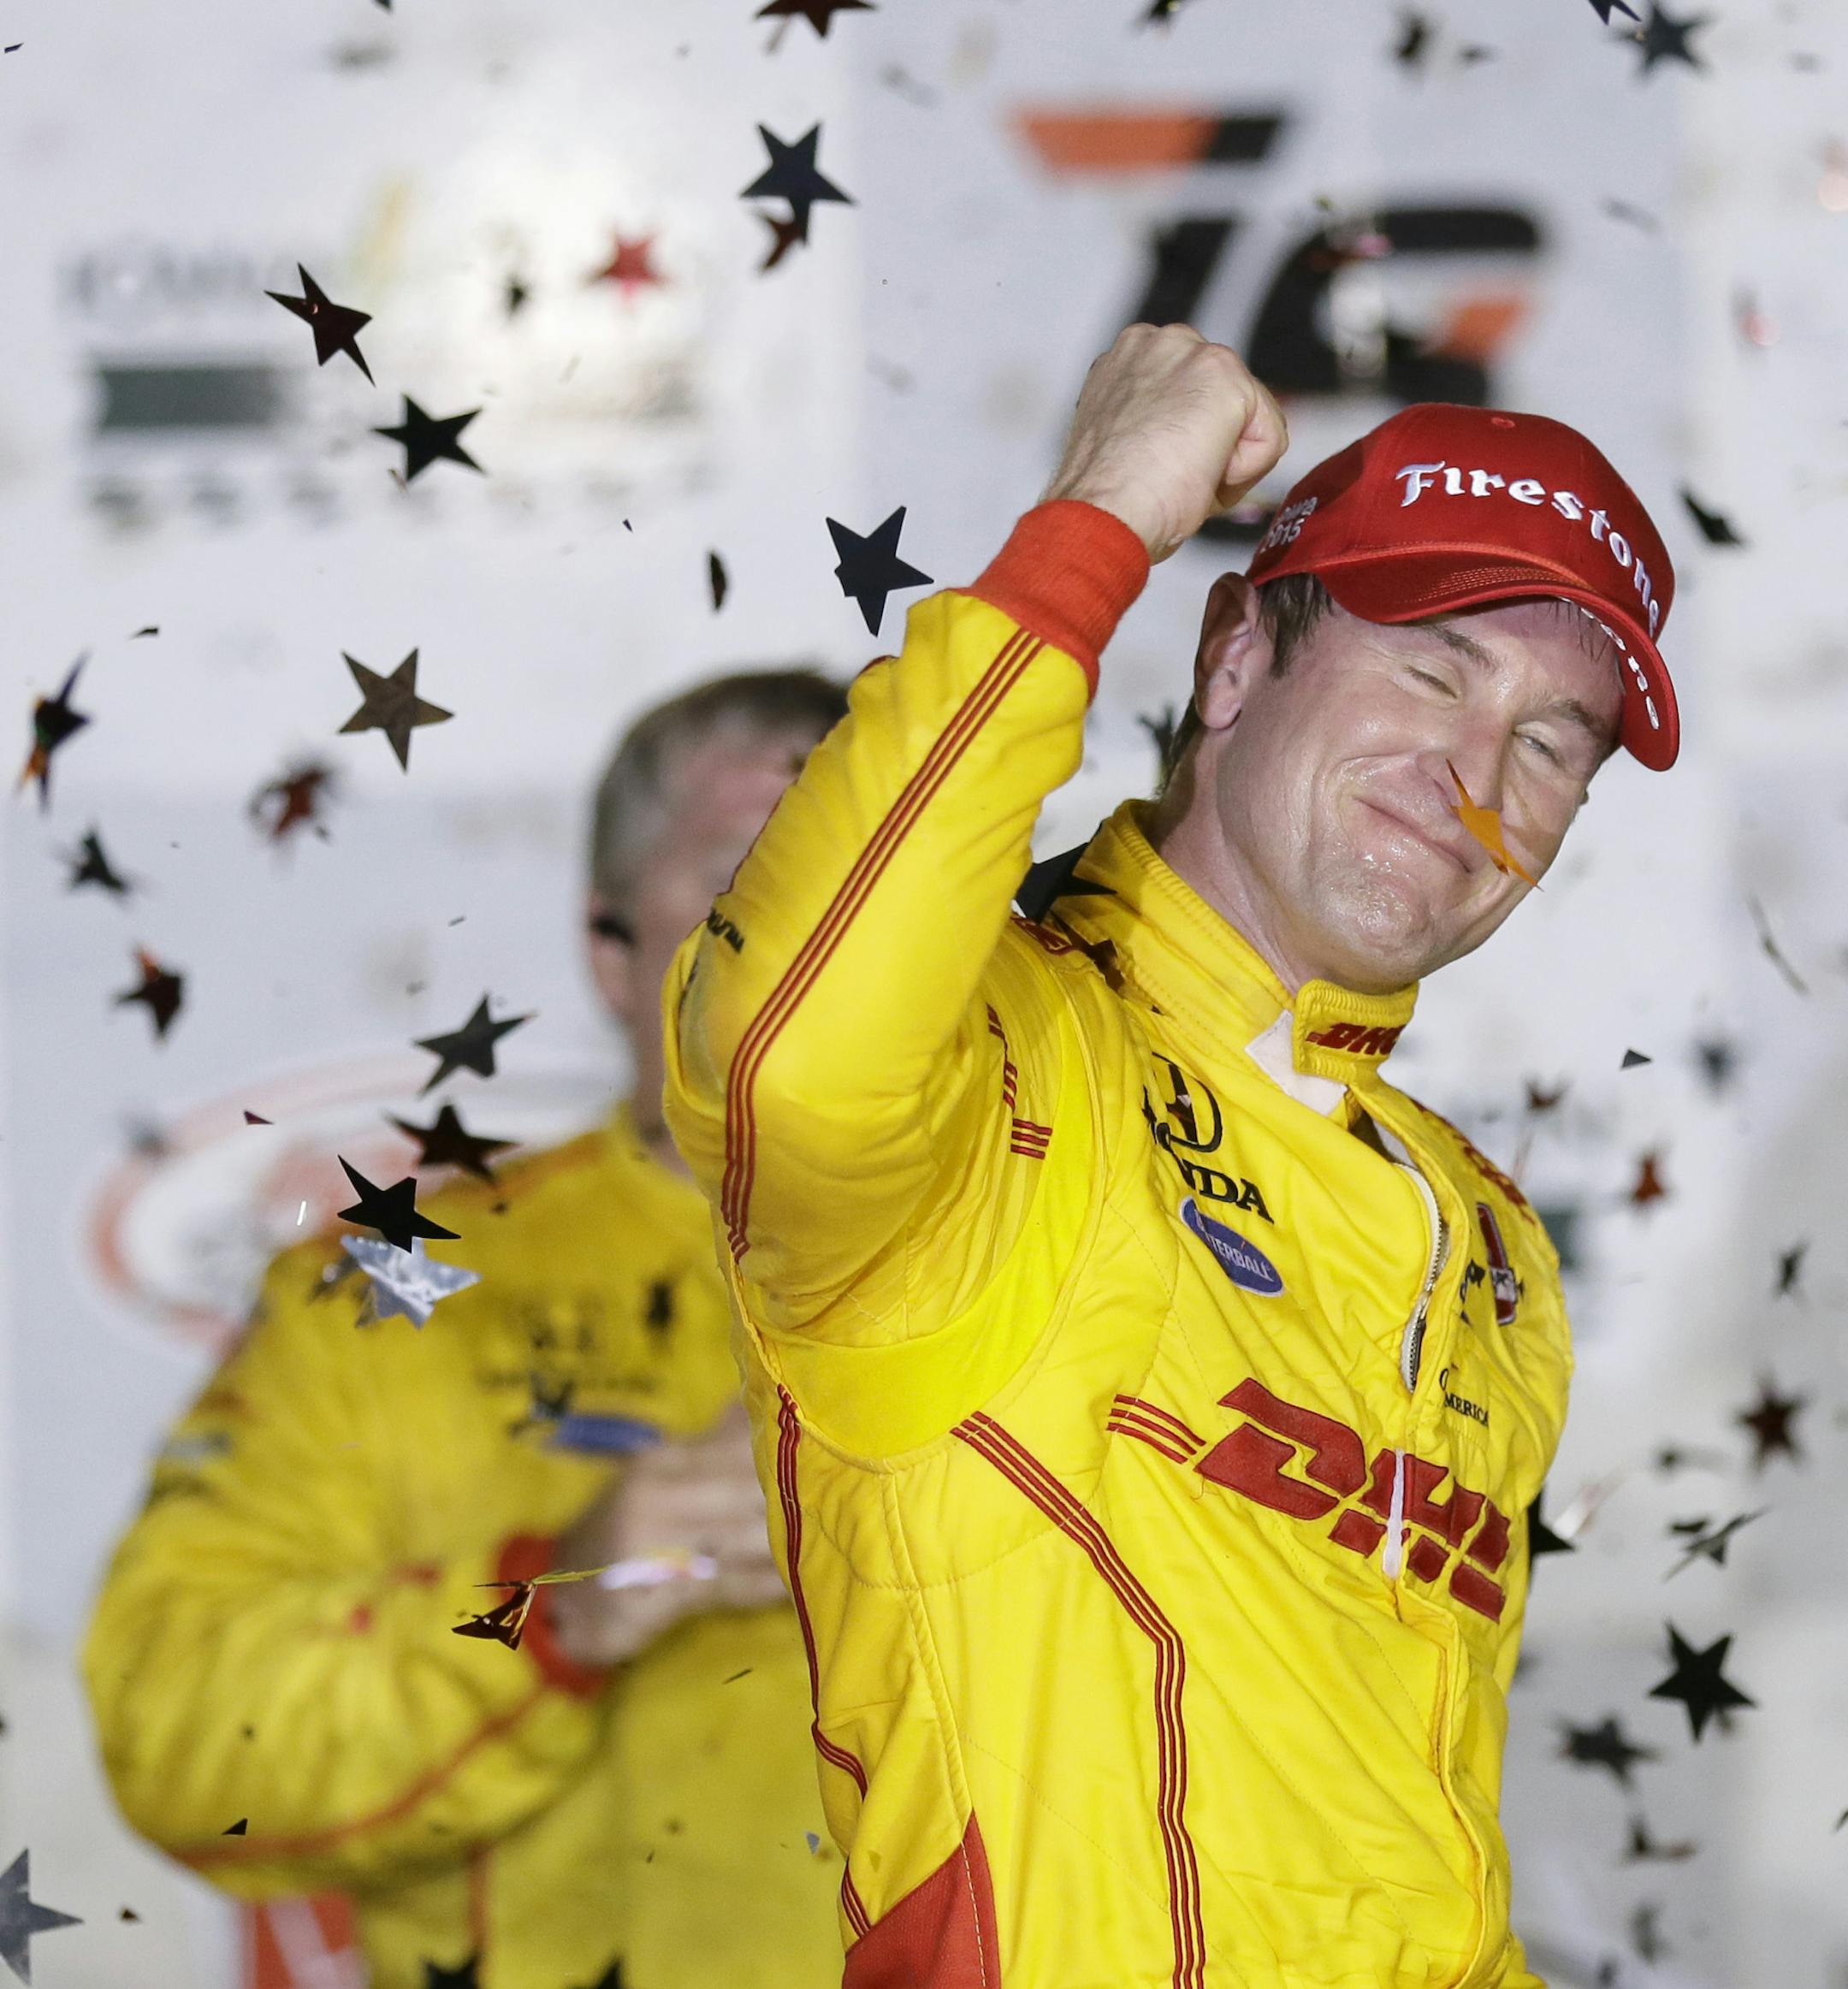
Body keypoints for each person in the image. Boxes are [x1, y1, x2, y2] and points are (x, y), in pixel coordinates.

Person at [660, 324, 1681, 1986]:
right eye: (1431, 670)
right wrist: (1103, 516)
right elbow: (794, 1040)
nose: (1477, 775)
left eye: (1554, 740)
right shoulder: (1006, 1065)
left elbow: (1407, 1850)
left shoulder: (1485, 1236)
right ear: (1233, 664)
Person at [84, 668, 852, 1989]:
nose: (825, 926)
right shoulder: (395, 1285)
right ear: (613, 952)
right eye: (745, 877)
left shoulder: (1100, 1255)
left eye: (876, 871)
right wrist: (556, 1604)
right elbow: (180, 1730)